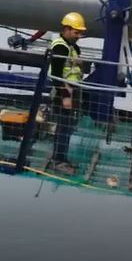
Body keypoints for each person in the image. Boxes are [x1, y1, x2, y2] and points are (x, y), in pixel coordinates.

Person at [45, 11, 89, 175]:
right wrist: (65, 97)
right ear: (66, 29)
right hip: (63, 93)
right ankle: (59, 160)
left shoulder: (70, 46)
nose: (78, 36)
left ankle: (62, 157)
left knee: (67, 127)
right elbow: (56, 74)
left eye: (80, 33)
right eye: (76, 32)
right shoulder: (61, 47)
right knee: (63, 127)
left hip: (70, 91)